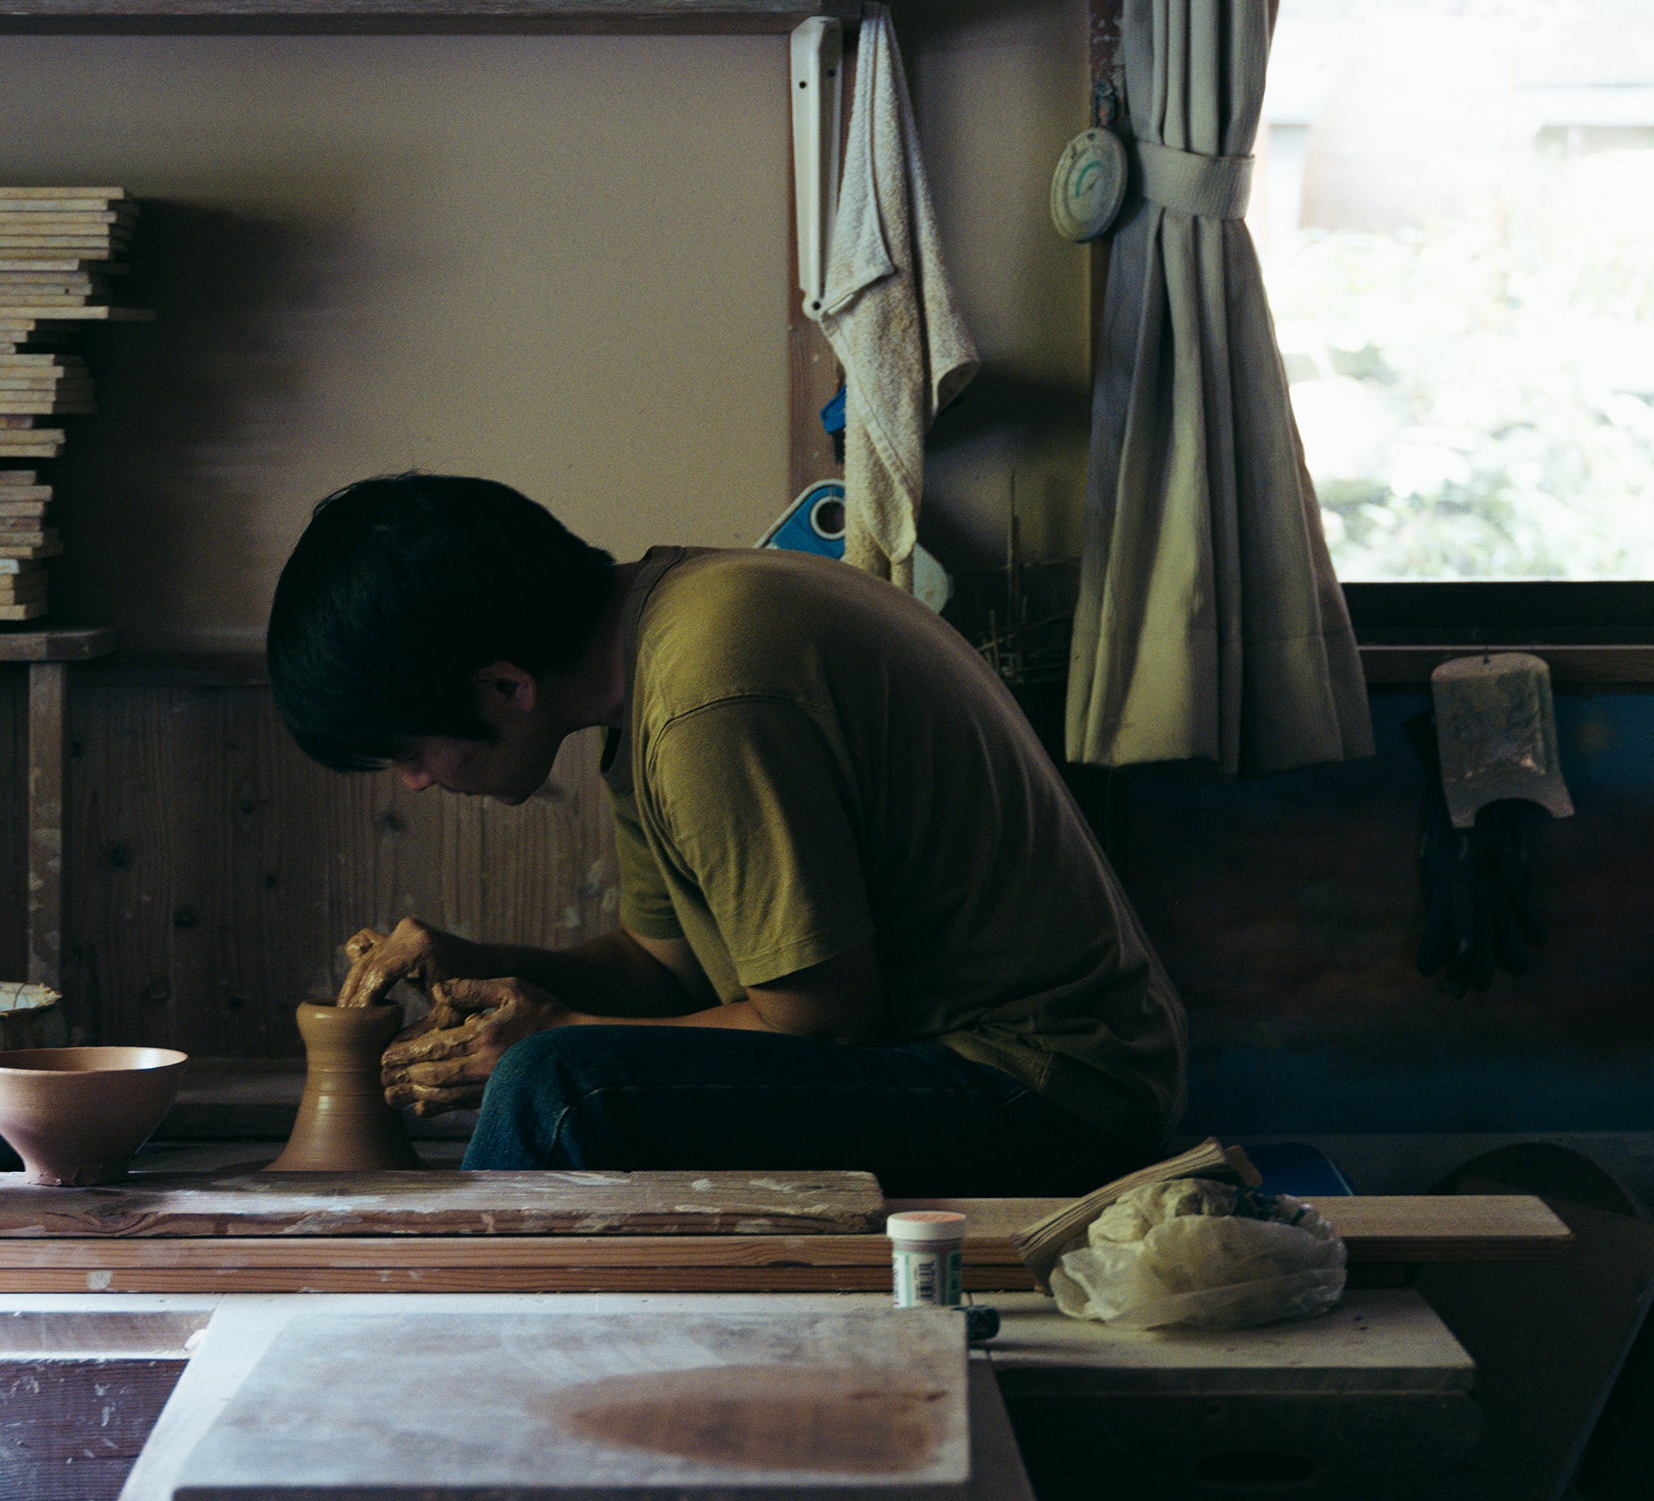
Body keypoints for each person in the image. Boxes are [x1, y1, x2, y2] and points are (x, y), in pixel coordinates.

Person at [267, 473, 1186, 1195]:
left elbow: (824, 1027)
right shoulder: (660, 644)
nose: (416, 781)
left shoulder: (711, 698)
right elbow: (670, 970)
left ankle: (454, 1360)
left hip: (1053, 1094)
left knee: (555, 1087)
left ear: (506, 686)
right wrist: (487, 967)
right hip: (967, 1062)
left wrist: (557, 1033)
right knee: (551, 1064)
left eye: (408, 753)